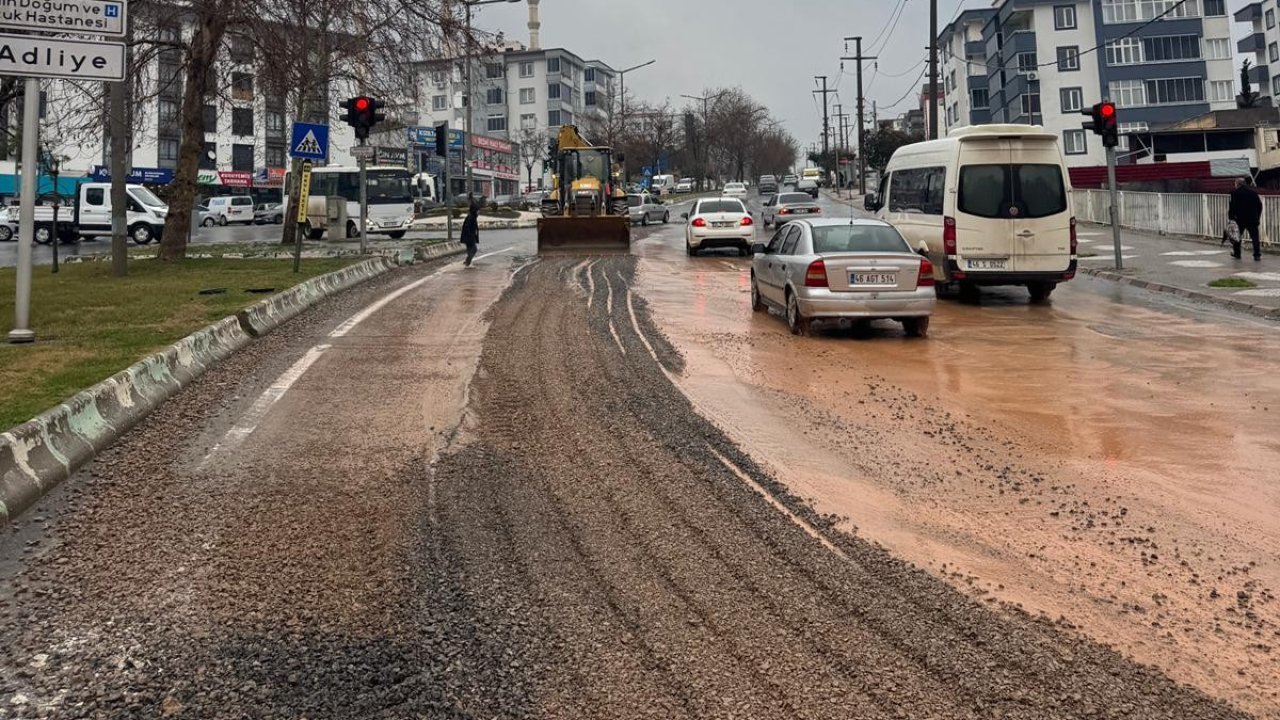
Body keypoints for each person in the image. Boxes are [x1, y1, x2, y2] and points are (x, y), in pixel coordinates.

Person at [1228, 177, 1263, 261]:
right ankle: (1257, 255)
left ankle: (1237, 253)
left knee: (1237, 237)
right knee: (1255, 237)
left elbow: (1232, 207)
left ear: (1238, 184)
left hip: (1240, 219)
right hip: (1252, 218)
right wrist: (1257, 216)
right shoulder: (1253, 193)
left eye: (1235, 184)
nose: (1235, 185)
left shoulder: (1234, 193)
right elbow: (1259, 206)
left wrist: (1231, 218)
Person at [461, 200, 480, 267]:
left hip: (470, 237)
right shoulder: (470, 217)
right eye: (478, 210)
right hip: (468, 237)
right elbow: (467, 228)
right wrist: (470, 236)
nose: (479, 212)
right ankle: (467, 263)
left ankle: (467, 262)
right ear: (474, 210)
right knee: (473, 249)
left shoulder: (473, 217)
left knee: (471, 250)